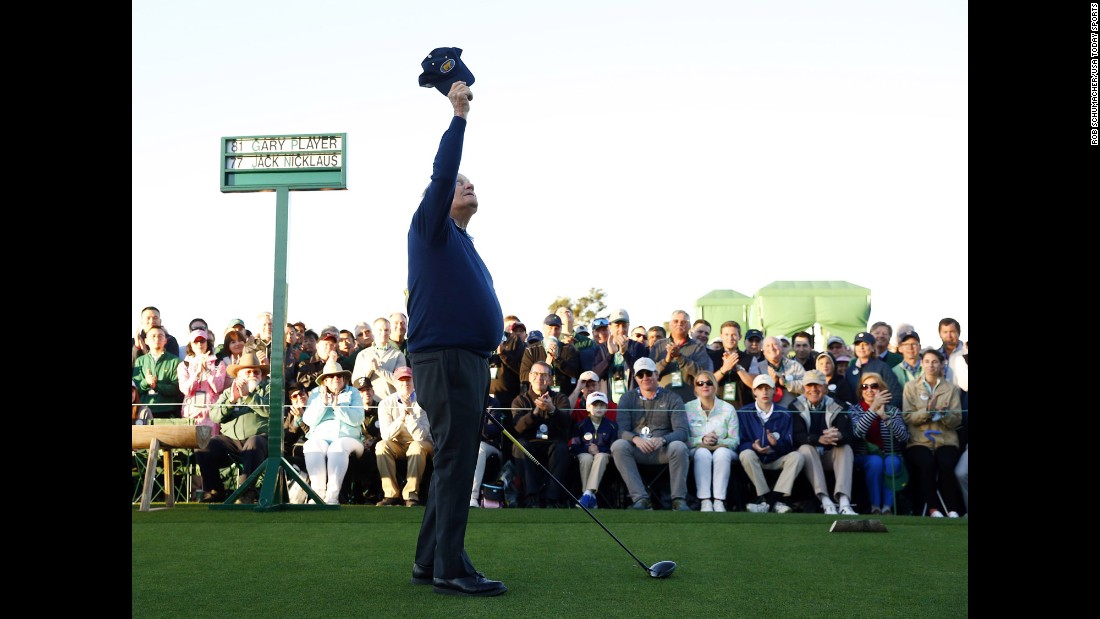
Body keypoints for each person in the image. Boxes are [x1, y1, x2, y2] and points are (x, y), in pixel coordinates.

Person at [405, 79, 507, 596]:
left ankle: (430, 562)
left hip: (464, 360)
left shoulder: (462, 243)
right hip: (444, 358)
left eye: (470, 184)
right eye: (458, 185)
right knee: (455, 458)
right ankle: (452, 567)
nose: (466, 187)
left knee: (453, 457)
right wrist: (459, 115)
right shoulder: (430, 229)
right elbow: (443, 171)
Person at [610, 357, 692, 511]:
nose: (645, 378)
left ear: (656, 375)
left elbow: (682, 432)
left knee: (679, 447)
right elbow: (621, 430)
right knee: (619, 446)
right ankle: (640, 498)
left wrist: (662, 440)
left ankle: (678, 500)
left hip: (663, 449)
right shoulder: (627, 398)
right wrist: (635, 439)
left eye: (649, 373)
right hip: (637, 448)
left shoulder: (673, 398)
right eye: (641, 375)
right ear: (636, 378)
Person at [195, 352, 270, 504]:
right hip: (231, 441)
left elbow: (270, 411)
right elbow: (215, 416)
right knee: (204, 447)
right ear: (238, 375)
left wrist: (249, 397)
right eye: (248, 372)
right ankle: (214, 491)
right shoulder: (229, 392)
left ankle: (245, 491)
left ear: (262, 375)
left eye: (256, 372)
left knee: (254, 443)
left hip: (260, 439)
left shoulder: (268, 390)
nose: (252, 375)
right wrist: (231, 401)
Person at [902, 348, 964, 518]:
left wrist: (944, 414)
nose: (931, 365)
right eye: (927, 361)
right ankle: (933, 508)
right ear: (922, 363)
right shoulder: (910, 387)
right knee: (927, 464)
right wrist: (928, 411)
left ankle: (952, 509)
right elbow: (908, 417)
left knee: (945, 464)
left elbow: (957, 419)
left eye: (935, 361)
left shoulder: (951, 389)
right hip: (918, 441)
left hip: (946, 440)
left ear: (941, 364)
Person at [790, 370, 856, 515]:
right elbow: (797, 436)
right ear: (803, 388)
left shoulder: (838, 405)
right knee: (806, 448)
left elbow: (849, 435)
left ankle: (844, 502)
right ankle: (826, 500)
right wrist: (817, 439)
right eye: (809, 386)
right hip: (808, 457)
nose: (813, 390)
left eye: (817, 386)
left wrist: (838, 435)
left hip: (829, 455)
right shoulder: (795, 406)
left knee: (845, 448)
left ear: (825, 388)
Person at [736, 375, 804, 514]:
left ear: (774, 391)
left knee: (797, 457)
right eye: (760, 389)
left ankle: (768, 502)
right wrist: (752, 446)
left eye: (768, 388)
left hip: (776, 458)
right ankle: (772, 501)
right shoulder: (743, 413)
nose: (764, 392)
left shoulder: (785, 414)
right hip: (755, 458)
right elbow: (739, 442)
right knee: (746, 454)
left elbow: (789, 445)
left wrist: (776, 444)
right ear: (754, 392)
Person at [302, 358, 365, 505]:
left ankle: (332, 497)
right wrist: (323, 403)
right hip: (321, 438)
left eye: (339, 375)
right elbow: (308, 420)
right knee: (312, 446)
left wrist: (338, 408)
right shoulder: (316, 394)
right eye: (331, 376)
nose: (336, 378)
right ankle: (317, 495)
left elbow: (358, 419)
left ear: (344, 378)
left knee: (338, 446)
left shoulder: (353, 392)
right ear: (324, 381)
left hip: (350, 438)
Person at [510, 362, 573, 508]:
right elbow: (517, 428)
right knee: (519, 445)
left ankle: (552, 498)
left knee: (562, 448)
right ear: (530, 377)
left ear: (551, 379)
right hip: (530, 443)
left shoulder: (560, 398)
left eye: (544, 375)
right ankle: (532, 497)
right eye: (536, 374)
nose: (540, 378)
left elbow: (566, 423)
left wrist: (552, 410)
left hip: (553, 443)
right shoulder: (519, 400)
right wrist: (534, 414)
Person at [850, 372, 909, 516]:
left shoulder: (893, 410)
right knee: (876, 462)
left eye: (874, 386)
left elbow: (903, 437)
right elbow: (857, 433)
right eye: (865, 387)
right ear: (861, 391)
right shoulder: (854, 410)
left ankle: (887, 508)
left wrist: (884, 417)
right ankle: (875, 507)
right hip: (863, 457)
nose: (869, 390)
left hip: (890, 455)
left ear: (881, 390)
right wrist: (872, 410)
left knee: (892, 462)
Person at [375, 366, 433, 507]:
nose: (405, 384)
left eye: (408, 380)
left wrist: (411, 413)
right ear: (395, 383)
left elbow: (420, 436)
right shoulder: (385, 403)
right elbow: (386, 435)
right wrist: (402, 417)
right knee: (381, 446)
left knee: (416, 447)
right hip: (397, 443)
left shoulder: (424, 401)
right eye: (401, 381)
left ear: (414, 382)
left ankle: (411, 495)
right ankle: (390, 494)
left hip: (422, 443)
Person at [684, 370, 738, 512]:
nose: (704, 386)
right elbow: (684, 439)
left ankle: (719, 500)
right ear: (695, 388)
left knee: (721, 453)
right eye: (700, 383)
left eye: (709, 383)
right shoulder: (687, 408)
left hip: (723, 449)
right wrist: (701, 439)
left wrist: (718, 441)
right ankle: (705, 500)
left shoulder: (728, 409)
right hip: (697, 450)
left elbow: (735, 440)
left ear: (715, 385)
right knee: (702, 453)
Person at [568, 391, 618, 509]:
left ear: (606, 408)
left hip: (604, 456)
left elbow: (613, 446)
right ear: (588, 407)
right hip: (584, 455)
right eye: (595, 405)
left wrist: (599, 449)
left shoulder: (612, 426)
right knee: (586, 458)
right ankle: (592, 498)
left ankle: (587, 494)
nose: (598, 408)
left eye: (602, 405)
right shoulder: (580, 425)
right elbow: (574, 447)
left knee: (600, 456)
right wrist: (587, 449)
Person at [651, 309, 714, 403]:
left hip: (689, 401)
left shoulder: (698, 347)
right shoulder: (659, 345)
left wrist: (680, 358)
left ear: (689, 326)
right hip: (662, 400)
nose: (679, 324)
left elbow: (703, 374)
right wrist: (666, 361)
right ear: (670, 325)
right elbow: (650, 373)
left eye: (683, 322)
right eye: (676, 321)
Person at [177, 329, 228, 436]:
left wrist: (207, 371)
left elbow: (218, 388)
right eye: (196, 341)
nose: (199, 344)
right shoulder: (184, 365)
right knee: (191, 446)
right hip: (191, 413)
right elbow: (185, 389)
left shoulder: (219, 364)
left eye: (202, 341)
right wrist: (197, 373)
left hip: (211, 412)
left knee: (210, 446)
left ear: (207, 343)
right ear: (191, 344)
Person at [592, 311, 649, 405]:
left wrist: (625, 353)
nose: (621, 329)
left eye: (624, 325)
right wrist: (610, 355)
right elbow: (595, 375)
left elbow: (641, 373)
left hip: (632, 403)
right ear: (610, 327)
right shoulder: (601, 348)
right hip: (608, 404)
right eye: (617, 326)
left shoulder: (637, 347)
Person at [519, 313, 581, 394]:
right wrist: (545, 367)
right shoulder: (531, 349)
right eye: (550, 328)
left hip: (563, 397)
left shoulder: (568, 349)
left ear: (561, 329)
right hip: (538, 397)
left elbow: (576, 372)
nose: (553, 331)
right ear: (544, 328)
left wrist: (558, 359)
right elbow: (523, 376)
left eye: (557, 328)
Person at [132, 325, 184, 419]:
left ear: (165, 340)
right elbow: (135, 389)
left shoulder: (175, 361)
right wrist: (145, 382)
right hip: (144, 411)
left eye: (160, 336)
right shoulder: (140, 361)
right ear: (146, 341)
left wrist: (157, 386)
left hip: (167, 411)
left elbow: (176, 389)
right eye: (153, 336)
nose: (157, 338)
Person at [352, 316, 408, 401]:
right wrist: (369, 369)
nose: (383, 333)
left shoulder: (398, 355)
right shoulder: (363, 354)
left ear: (390, 332)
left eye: (386, 330)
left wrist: (379, 370)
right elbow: (356, 383)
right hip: (369, 405)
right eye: (380, 330)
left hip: (391, 403)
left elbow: (400, 382)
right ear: (373, 332)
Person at [470, 400, 512, 508]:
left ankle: (472, 496)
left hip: (489, 446)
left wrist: (477, 416)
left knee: (479, 449)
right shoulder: (462, 400)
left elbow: (491, 432)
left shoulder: (493, 403)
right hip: (465, 445)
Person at [845, 332, 903, 406]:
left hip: (881, 414)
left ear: (872, 347)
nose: (861, 347)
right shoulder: (850, 371)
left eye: (865, 344)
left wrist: (887, 413)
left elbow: (896, 394)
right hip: (857, 415)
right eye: (858, 344)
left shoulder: (883, 367)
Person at [747, 335, 806, 408]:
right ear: (764, 352)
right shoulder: (758, 367)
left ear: (781, 348)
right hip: (767, 411)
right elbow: (753, 391)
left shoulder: (794, 366)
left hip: (791, 411)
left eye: (775, 344)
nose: (771, 348)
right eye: (767, 346)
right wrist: (771, 383)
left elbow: (806, 387)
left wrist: (786, 383)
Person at [708, 320, 753, 409]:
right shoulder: (712, 356)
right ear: (721, 336)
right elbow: (707, 382)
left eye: (734, 335)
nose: (730, 338)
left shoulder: (749, 358)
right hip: (717, 409)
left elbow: (753, 384)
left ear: (740, 337)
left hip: (743, 408)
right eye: (726, 334)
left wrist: (737, 368)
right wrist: (724, 369)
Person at [488, 318, 527, 416]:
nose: (509, 329)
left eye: (512, 326)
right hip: (489, 397)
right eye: (508, 325)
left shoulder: (516, 342)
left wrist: (503, 354)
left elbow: (520, 368)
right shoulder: (491, 339)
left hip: (509, 399)